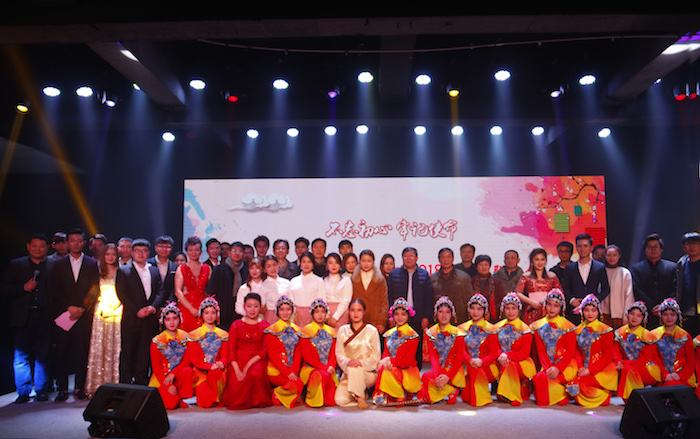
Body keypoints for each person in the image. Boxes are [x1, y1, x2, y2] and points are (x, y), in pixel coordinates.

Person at [0, 234, 54, 403]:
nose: (38, 249)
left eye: (42, 246)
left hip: (45, 315)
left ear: (47, 248)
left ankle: (41, 389)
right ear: (28, 247)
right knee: (21, 356)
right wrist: (23, 287)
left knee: (43, 355)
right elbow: (4, 287)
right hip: (22, 316)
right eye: (35, 246)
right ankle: (23, 391)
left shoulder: (54, 265)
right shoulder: (17, 264)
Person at [49, 228, 100, 401]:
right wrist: (69, 307)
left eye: (79, 241)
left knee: (81, 351)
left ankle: (79, 387)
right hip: (65, 314)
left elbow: (94, 288)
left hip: (84, 315)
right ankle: (62, 389)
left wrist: (82, 308)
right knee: (61, 351)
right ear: (67, 243)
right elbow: (54, 289)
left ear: (84, 243)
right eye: (72, 241)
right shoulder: (58, 264)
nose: (76, 244)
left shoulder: (92, 263)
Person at [116, 238, 167, 385]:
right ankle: (125, 382)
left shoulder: (154, 270)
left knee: (145, 351)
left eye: (144, 251)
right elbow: (122, 293)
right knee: (128, 351)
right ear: (132, 253)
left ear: (148, 253)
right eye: (137, 251)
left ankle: (141, 381)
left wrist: (153, 307)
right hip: (131, 318)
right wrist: (136, 310)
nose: (141, 254)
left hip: (149, 318)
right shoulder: (124, 270)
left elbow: (161, 292)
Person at [222, 292, 273, 410]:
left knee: (255, 373)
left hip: (257, 359)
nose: (252, 309)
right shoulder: (236, 325)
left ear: (260, 307)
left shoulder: (265, 326)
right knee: (236, 378)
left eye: (255, 306)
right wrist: (237, 370)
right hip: (237, 360)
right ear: (244, 307)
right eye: (249, 306)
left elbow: (264, 350)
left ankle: (256, 401)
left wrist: (248, 366)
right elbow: (231, 350)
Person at [567, 294, 618, 407]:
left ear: (598, 311)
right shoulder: (578, 330)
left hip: (602, 369)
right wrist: (580, 367)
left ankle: (603, 395)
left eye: (593, 310)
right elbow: (577, 352)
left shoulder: (606, 331)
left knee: (580, 383)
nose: (590, 314)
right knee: (572, 383)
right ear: (582, 311)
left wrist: (590, 370)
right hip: (583, 368)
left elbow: (608, 356)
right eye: (586, 310)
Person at [85, 244, 122, 396]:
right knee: (100, 346)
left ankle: (116, 381)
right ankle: (96, 384)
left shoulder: (122, 272)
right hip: (101, 312)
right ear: (103, 256)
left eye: (113, 254)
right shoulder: (97, 273)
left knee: (116, 345)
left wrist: (117, 303)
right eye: (107, 254)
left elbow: (126, 292)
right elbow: (92, 294)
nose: (110, 257)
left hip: (118, 311)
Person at [530, 289, 578, 406]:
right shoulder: (538, 326)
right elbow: (541, 351)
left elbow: (570, 352)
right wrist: (548, 368)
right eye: (549, 305)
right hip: (547, 365)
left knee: (543, 384)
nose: (552, 308)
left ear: (561, 307)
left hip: (566, 365)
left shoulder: (568, 326)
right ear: (545, 305)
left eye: (556, 306)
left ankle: (559, 392)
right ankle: (563, 394)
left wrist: (558, 368)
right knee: (538, 378)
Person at [373, 298, 422, 406]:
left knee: (389, 371)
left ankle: (399, 395)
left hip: (407, 371)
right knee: (383, 368)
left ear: (408, 315)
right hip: (392, 368)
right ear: (393, 316)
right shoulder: (388, 334)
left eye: (403, 314)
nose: (400, 317)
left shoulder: (412, 335)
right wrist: (386, 362)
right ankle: (397, 394)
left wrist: (390, 361)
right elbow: (386, 353)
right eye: (396, 314)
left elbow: (408, 361)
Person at [335, 298, 381, 408]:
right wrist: (348, 362)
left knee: (355, 368)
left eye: (359, 310)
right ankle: (360, 394)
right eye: (352, 310)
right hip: (348, 372)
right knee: (340, 400)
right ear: (349, 312)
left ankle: (360, 399)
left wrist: (360, 362)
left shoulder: (372, 330)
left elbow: (375, 356)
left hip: (368, 373)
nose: (356, 313)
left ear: (364, 312)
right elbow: (339, 354)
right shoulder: (342, 330)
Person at [419, 296, 465, 404]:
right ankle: (451, 390)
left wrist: (448, 376)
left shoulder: (458, 333)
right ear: (436, 314)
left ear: (452, 314)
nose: (444, 315)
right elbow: (433, 358)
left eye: (447, 312)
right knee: (425, 378)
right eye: (440, 312)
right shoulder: (431, 333)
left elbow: (459, 358)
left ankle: (445, 388)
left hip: (454, 370)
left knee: (426, 390)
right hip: (439, 369)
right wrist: (437, 376)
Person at [613, 301, 662, 401]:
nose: (634, 318)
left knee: (629, 370)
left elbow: (645, 359)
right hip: (627, 366)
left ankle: (635, 400)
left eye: (639, 316)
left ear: (643, 318)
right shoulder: (621, 332)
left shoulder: (647, 335)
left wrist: (624, 363)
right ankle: (631, 400)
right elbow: (616, 352)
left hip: (647, 367)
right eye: (632, 314)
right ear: (627, 314)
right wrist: (618, 362)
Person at [493, 293, 536, 406]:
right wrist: (500, 355)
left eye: (514, 308)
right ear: (503, 309)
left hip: (522, 362)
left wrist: (507, 355)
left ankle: (512, 396)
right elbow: (494, 347)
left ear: (519, 309)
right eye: (507, 308)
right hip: (500, 359)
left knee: (510, 364)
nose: (510, 311)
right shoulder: (497, 327)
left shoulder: (525, 329)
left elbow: (524, 353)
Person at [149, 303, 193, 409]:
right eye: (168, 319)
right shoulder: (157, 341)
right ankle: (175, 398)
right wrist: (168, 386)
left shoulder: (186, 337)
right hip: (162, 378)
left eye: (174, 318)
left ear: (179, 319)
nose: (172, 322)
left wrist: (173, 373)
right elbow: (156, 368)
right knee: (171, 404)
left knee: (187, 370)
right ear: (163, 321)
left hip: (177, 374)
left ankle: (181, 397)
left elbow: (187, 360)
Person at [458, 293, 500, 406]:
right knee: (467, 394)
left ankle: (482, 399)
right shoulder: (462, 328)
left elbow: (494, 353)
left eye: (479, 309)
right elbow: (460, 351)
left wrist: (482, 361)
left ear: (485, 311)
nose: (475, 312)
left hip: (488, 366)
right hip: (470, 365)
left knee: (475, 370)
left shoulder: (491, 329)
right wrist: (470, 360)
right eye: (472, 308)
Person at [186, 297, 228, 408]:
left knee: (216, 374)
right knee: (206, 403)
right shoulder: (194, 335)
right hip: (201, 373)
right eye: (206, 313)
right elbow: (194, 359)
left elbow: (225, 356)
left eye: (213, 313)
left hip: (217, 371)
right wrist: (210, 366)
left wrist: (221, 363)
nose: (210, 316)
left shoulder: (223, 334)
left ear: (217, 314)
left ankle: (217, 398)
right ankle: (213, 397)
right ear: (202, 314)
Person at [264, 296, 304, 408]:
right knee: (296, 384)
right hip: (275, 370)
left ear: (292, 311)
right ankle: (276, 393)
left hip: (291, 371)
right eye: (282, 309)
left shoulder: (297, 330)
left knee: (298, 384)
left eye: (288, 309)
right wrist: (287, 372)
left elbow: (298, 353)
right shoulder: (272, 330)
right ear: (277, 311)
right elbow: (272, 355)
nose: (285, 313)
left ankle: (277, 394)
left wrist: (293, 371)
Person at [630, 233, 677, 330]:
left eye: (656, 247)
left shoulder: (672, 267)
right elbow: (637, 289)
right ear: (645, 249)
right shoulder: (637, 268)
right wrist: (652, 306)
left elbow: (675, 288)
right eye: (649, 247)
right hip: (646, 312)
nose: (653, 250)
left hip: (668, 312)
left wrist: (663, 305)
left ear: (661, 249)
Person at [561, 233, 610, 321]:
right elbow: (565, 287)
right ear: (576, 247)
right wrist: (572, 300)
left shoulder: (599, 267)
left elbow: (606, 289)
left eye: (585, 246)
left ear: (591, 248)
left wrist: (594, 301)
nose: (582, 249)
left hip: (593, 311)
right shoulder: (569, 267)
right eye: (579, 246)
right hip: (574, 311)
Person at [299, 299, 338, 407]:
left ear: (326, 313)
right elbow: (308, 357)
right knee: (321, 375)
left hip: (328, 368)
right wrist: (325, 368)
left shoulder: (332, 332)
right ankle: (311, 399)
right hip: (311, 368)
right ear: (312, 314)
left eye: (323, 312)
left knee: (330, 402)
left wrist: (331, 366)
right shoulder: (306, 331)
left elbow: (333, 353)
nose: (320, 315)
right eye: (317, 312)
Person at [651, 298, 697, 389]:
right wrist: (665, 374)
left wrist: (680, 375)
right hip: (661, 375)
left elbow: (691, 361)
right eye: (665, 314)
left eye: (672, 315)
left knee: (670, 386)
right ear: (661, 315)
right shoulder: (653, 335)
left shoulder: (685, 336)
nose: (669, 318)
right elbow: (654, 358)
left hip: (683, 376)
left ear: (677, 316)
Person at [207, 241, 249, 330]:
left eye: (240, 251)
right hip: (223, 311)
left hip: (241, 311)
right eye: (234, 250)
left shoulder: (247, 271)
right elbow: (211, 291)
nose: (237, 253)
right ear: (229, 252)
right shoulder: (219, 269)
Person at [515, 248, 563, 325]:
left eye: (542, 259)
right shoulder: (526, 276)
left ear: (546, 260)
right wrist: (532, 302)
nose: (540, 262)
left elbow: (560, 293)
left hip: (549, 311)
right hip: (531, 310)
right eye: (536, 259)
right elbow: (518, 293)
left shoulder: (552, 276)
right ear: (532, 261)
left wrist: (549, 303)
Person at [175, 236, 211, 332]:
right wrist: (191, 309)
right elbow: (178, 291)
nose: (193, 253)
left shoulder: (207, 268)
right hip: (186, 307)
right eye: (190, 250)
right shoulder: (181, 268)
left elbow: (210, 290)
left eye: (196, 250)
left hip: (203, 307)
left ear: (201, 251)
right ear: (186, 251)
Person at [431, 247, 473, 325]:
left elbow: (469, 301)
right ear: (439, 259)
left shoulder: (463, 277)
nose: (446, 260)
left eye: (448, 257)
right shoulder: (432, 278)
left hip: (459, 322)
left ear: (453, 259)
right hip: (438, 323)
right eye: (443, 257)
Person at [351, 249, 389, 334]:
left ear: (373, 261)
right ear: (359, 262)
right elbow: (351, 300)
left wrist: (382, 321)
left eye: (369, 261)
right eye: (363, 261)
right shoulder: (353, 279)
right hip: (358, 320)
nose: (366, 264)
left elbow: (384, 302)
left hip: (375, 321)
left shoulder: (380, 279)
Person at [289, 251, 326, 327]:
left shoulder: (319, 281)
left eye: (309, 262)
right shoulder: (294, 281)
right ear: (300, 264)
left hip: (313, 316)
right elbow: (291, 301)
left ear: (313, 264)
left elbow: (322, 301)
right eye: (304, 262)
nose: (306, 264)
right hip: (296, 316)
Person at [602, 245, 634, 329]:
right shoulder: (602, 271)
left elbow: (629, 296)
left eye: (614, 255)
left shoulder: (625, 273)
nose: (611, 258)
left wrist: (626, 316)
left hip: (619, 315)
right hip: (604, 314)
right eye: (609, 255)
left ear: (619, 256)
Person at [676, 232, 700, 337]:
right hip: (684, 311)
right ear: (683, 246)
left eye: (695, 243)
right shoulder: (681, 264)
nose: (692, 246)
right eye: (688, 243)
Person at [471, 255, 506, 323]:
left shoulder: (497, 282)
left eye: (486, 265)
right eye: (481, 265)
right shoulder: (471, 281)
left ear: (489, 266)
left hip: (493, 319)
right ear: (476, 267)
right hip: (474, 316)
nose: (484, 267)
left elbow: (502, 300)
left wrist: (490, 311)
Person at [258, 254, 291, 324]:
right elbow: (261, 307)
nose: (272, 268)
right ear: (264, 269)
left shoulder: (287, 283)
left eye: (274, 265)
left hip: (286, 316)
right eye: (269, 266)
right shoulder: (263, 285)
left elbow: (291, 302)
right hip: (271, 317)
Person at [324, 253, 352, 328]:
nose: (333, 265)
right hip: (325, 314)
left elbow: (346, 300)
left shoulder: (346, 281)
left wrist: (335, 317)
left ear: (340, 265)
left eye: (336, 263)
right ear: (326, 265)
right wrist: (327, 317)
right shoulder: (322, 281)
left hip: (342, 313)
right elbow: (322, 300)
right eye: (330, 263)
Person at [148, 235, 178, 302]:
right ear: (155, 248)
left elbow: (174, 288)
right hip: (149, 303)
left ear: (171, 248)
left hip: (168, 304)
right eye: (161, 246)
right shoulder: (147, 264)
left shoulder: (175, 267)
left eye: (167, 247)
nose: (164, 249)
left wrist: (169, 303)